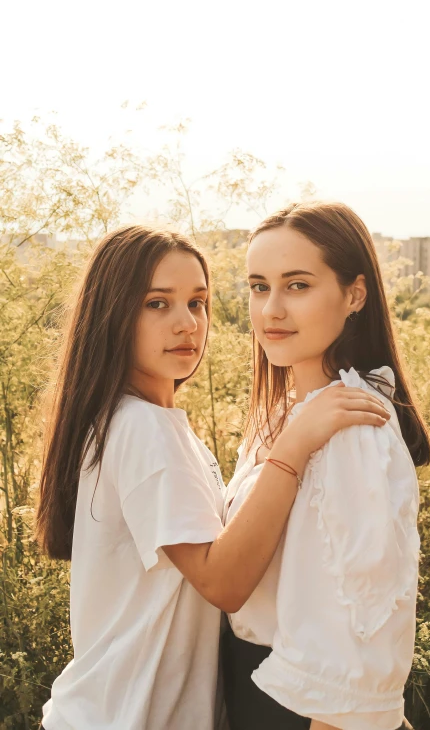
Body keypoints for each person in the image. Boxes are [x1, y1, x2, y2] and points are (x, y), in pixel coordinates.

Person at [36, 223, 390, 730]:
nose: (187, 323)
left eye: (197, 302)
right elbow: (223, 583)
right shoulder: (141, 429)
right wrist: (295, 442)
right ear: (113, 315)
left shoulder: (144, 422)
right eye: (157, 303)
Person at [222, 202, 430, 730]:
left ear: (354, 295)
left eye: (297, 286)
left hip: (301, 711)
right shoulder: (291, 413)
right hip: (254, 692)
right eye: (258, 286)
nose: (270, 310)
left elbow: (358, 636)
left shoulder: (350, 427)